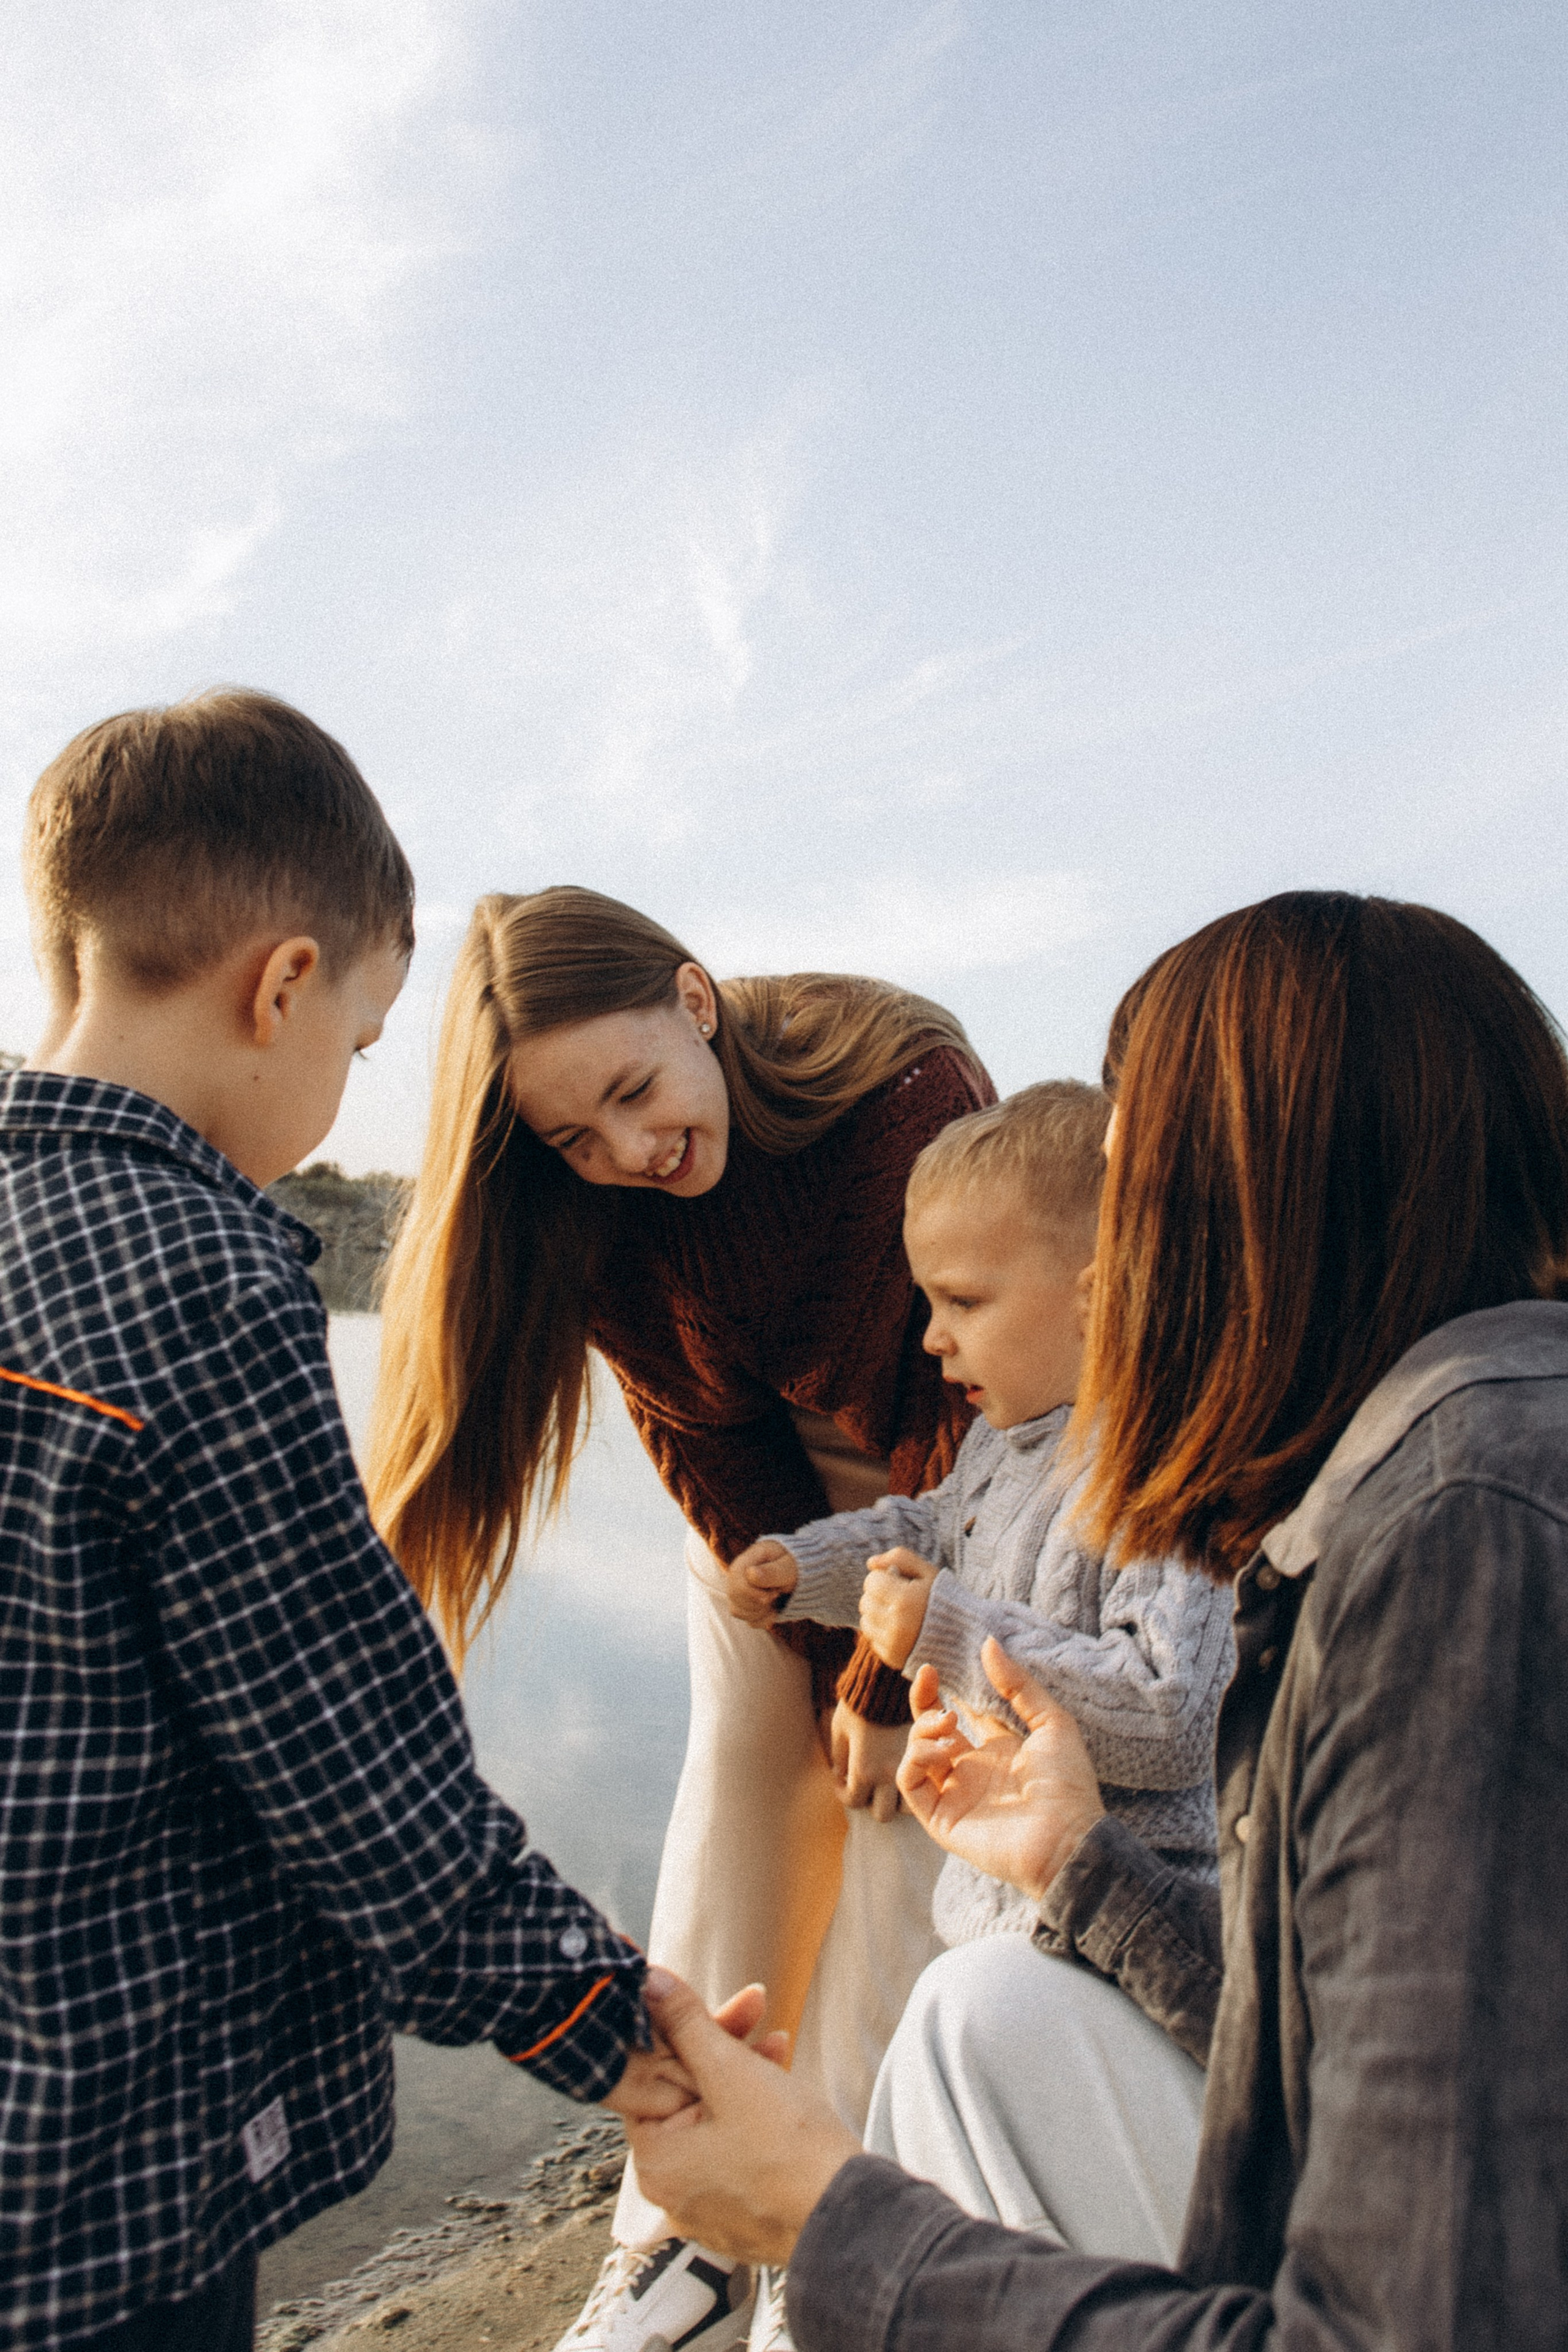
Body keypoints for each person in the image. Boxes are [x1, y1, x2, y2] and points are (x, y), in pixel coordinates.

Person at [624, 891, 1568, 2351]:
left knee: (971, 2031)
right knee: (978, 2018)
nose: (1119, 1264)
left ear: (1259, 1192)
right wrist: (1077, 1860)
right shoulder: (1446, 1448)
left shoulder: (1462, 1530)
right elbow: (1334, 2035)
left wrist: (826, 2217)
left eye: (1137, 1191)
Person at [1, 695, 687, 2352]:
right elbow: (354, 1769)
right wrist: (610, 2024)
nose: (347, 1082)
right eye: (364, 1044)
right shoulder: (202, 1286)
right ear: (283, 985)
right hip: (108, 2168)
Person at [365, 887, 994, 2351]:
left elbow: (954, 1419)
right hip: (773, 1524)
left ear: (694, 1002)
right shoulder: (594, 1208)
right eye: (574, 1136)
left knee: (902, 1839)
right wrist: (816, 1652)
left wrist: (884, 1681)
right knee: (738, 1814)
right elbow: (709, 1447)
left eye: (634, 1091)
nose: (626, 1151)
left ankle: (831, 2232)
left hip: (959, 1488)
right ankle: (676, 2239)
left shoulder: (897, 1092)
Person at [725, 1079, 1233, 2343]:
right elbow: (919, 1528)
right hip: (998, 1918)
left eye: (961, 1302)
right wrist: (809, 1565)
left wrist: (947, 1632)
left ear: (1096, 1294)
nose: (933, 1343)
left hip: (1128, 1948)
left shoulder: (1164, 1464)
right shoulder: (999, 1448)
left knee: (979, 2120)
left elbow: (1169, 1711)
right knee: (957, 2138)